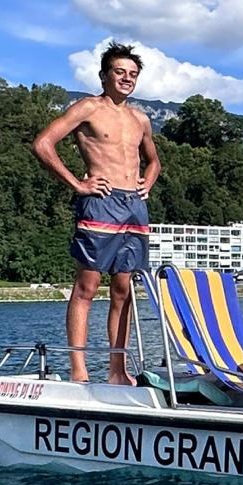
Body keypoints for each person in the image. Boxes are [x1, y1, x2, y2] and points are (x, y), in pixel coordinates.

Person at [32, 41, 160, 385]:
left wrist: (147, 182)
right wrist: (77, 183)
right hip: (101, 203)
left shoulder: (140, 118)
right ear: (104, 76)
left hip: (134, 206)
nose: (127, 78)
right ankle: (79, 370)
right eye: (120, 72)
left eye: (133, 74)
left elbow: (154, 161)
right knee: (87, 286)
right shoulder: (88, 107)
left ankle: (117, 371)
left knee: (123, 289)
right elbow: (43, 144)